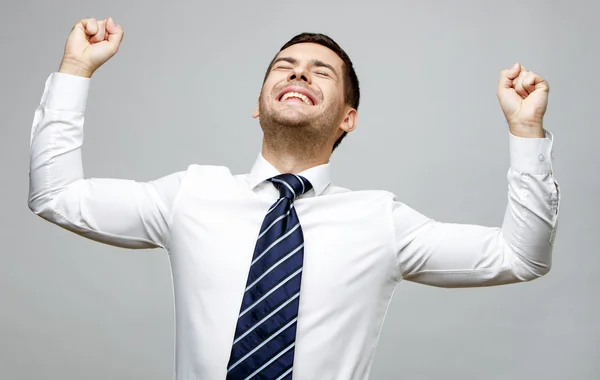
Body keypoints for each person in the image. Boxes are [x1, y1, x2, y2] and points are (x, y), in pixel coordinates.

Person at [28, 16, 560, 380]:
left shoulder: (381, 221)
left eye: (320, 71)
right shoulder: (190, 195)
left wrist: (526, 131)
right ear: (258, 105)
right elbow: (56, 194)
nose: (300, 71)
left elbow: (521, 256)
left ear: (348, 118)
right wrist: (75, 70)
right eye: (284, 66)